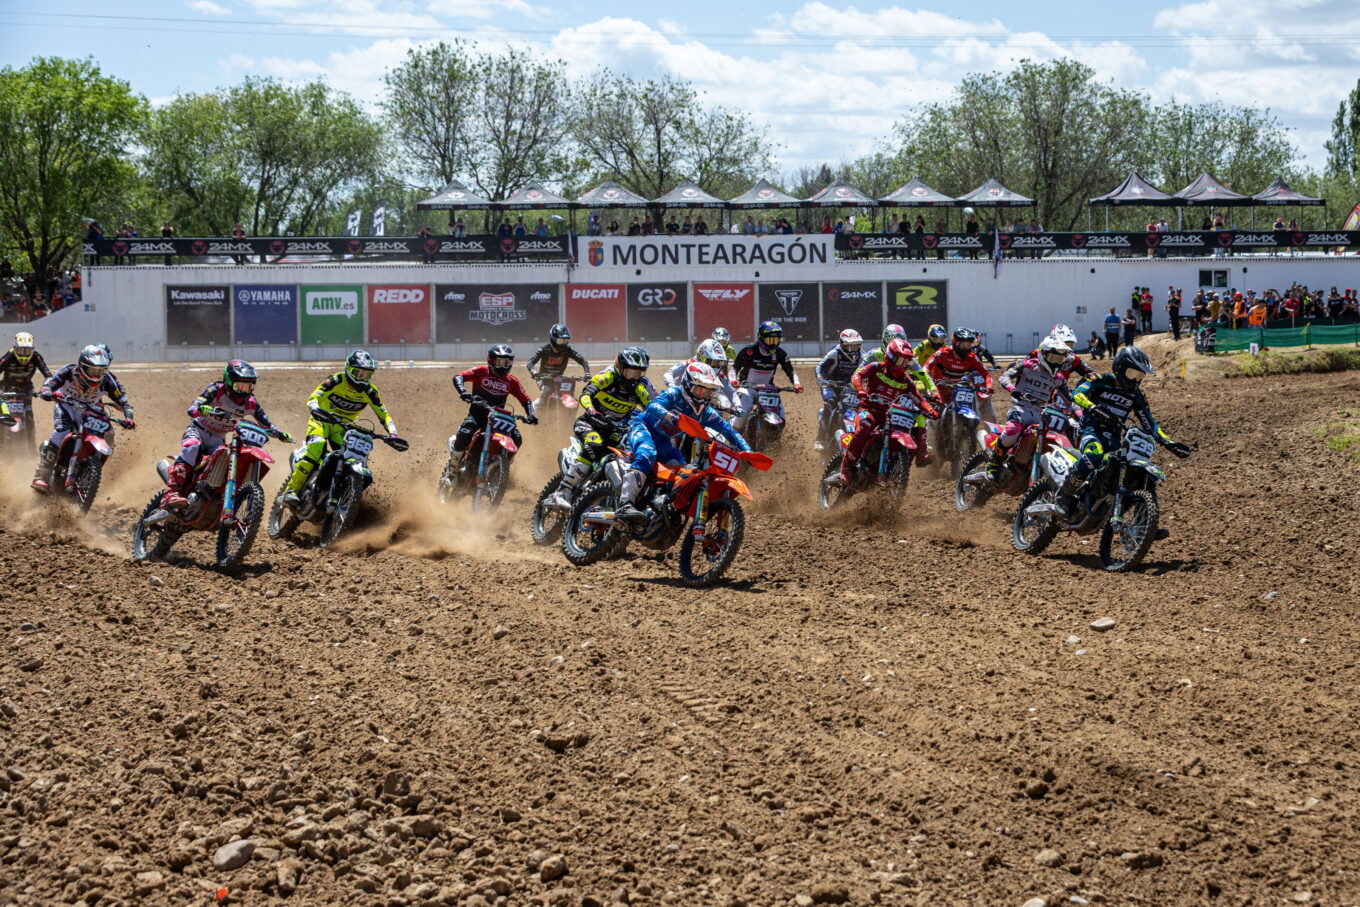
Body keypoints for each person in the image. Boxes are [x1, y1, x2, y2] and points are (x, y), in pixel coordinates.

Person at [1055, 346, 1191, 517]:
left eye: (1139, 376)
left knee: (1127, 471)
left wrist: (1169, 443)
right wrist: (1093, 407)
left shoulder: (1137, 395)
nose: (1135, 380)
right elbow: (1077, 394)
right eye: (1132, 374)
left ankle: (1133, 519)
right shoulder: (1101, 380)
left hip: (1113, 440)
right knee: (1094, 454)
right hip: (1091, 430)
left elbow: (1149, 423)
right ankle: (1064, 495)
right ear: (1120, 368)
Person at [617, 362, 749, 521]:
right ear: (688, 384)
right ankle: (625, 504)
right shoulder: (674, 393)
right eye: (700, 390)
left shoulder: (706, 413)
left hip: (664, 440)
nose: (703, 395)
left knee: (681, 471)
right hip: (643, 427)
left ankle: (659, 506)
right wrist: (672, 418)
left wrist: (747, 451)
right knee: (647, 454)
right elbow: (652, 406)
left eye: (708, 392)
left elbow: (729, 431)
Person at [162, 361, 292, 508]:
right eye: (240, 386)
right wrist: (201, 410)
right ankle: (171, 493)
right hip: (198, 430)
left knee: (225, 461)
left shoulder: (251, 403)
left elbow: (266, 424)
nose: (244, 391)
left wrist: (279, 434)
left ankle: (215, 500)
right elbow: (192, 407)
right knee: (192, 446)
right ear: (229, 382)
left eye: (248, 387)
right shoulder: (216, 390)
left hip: (218, 440)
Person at [279, 351, 397, 507]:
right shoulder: (335, 380)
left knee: (353, 455)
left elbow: (384, 414)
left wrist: (393, 434)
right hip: (322, 420)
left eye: (367, 375)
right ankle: (291, 490)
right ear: (349, 369)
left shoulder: (370, 392)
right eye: (359, 373)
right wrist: (314, 407)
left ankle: (342, 494)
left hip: (342, 428)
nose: (362, 379)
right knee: (316, 446)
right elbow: (314, 397)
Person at [546, 347, 651, 511]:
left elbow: (652, 412)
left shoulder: (640, 391)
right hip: (590, 423)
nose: (633, 378)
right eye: (630, 372)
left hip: (614, 432)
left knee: (624, 457)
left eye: (638, 374)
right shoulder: (607, 378)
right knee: (594, 445)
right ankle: (563, 491)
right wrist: (591, 410)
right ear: (620, 368)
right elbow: (585, 394)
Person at [829, 339, 938, 485]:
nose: (902, 365)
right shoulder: (876, 367)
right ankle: (847, 467)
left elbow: (918, 398)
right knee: (865, 428)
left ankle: (895, 471)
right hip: (869, 410)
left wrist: (930, 410)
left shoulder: (906, 380)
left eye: (905, 361)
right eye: (899, 360)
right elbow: (857, 375)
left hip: (890, 415)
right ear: (890, 357)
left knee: (909, 433)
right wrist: (860, 390)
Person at [32, 345, 134, 492]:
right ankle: (41, 475)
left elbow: (124, 402)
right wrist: (47, 392)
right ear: (82, 366)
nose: (96, 375)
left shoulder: (107, 380)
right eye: (93, 370)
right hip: (66, 406)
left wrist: (129, 417)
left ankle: (87, 473)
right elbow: (50, 385)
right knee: (61, 431)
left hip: (89, 410)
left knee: (107, 434)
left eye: (100, 371)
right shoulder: (68, 371)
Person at [984, 337, 1072, 483]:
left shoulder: (1059, 377)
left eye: (1060, 359)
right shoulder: (1027, 364)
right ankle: (993, 463)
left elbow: (1069, 400)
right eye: (1053, 358)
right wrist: (1013, 389)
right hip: (1020, 407)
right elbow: (1004, 377)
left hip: (1041, 413)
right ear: (1043, 354)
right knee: (1013, 431)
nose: (1056, 363)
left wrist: (1079, 412)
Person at [448, 345, 536, 474]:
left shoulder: (512, 381)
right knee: (465, 432)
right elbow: (458, 377)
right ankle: (452, 471)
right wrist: (463, 392)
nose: (504, 366)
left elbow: (525, 400)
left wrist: (531, 415)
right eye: (500, 362)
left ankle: (500, 468)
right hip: (477, 416)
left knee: (517, 437)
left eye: (507, 362)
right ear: (491, 360)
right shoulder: (480, 371)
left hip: (497, 419)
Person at [731, 322, 802, 435]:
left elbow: (790, 371)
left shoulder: (780, 354)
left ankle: (774, 437)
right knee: (744, 411)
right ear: (761, 339)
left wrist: (796, 384)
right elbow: (734, 368)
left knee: (782, 416)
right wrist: (733, 379)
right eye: (770, 340)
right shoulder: (749, 351)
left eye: (776, 340)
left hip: (768, 388)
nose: (773, 344)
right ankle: (733, 439)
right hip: (747, 387)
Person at [0, 332, 53, 448]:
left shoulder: (36, 357)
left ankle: (31, 446)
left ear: (33, 350)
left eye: (27, 351)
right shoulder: (9, 356)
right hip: (6, 387)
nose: (24, 354)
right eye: (21, 350)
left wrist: (47, 387)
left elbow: (48, 375)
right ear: (15, 348)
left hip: (26, 388)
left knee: (29, 415)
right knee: (2, 412)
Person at [813, 329, 863, 450]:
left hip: (848, 386)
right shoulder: (835, 353)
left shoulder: (862, 357)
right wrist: (820, 378)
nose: (854, 351)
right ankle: (820, 439)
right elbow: (819, 367)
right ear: (843, 345)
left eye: (856, 346)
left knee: (859, 407)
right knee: (830, 404)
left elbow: (866, 371)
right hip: (830, 384)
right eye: (850, 347)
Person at [526, 323, 590, 411]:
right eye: (560, 341)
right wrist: (534, 372)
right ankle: (537, 412)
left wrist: (587, 373)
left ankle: (569, 416)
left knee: (570, 394)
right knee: (546, 391)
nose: (562, 344)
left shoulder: (568, 350)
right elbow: (530, 362)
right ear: (553, 338)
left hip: (558, 379)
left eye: (564, 341)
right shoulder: (545, 349)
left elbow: (583, 361)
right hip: (543, 378)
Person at [663, 339, 738, 413]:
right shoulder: (691, 363)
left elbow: (730, 390)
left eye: (719, 362)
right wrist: (673, 388)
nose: (716, 366)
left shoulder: (718, 372)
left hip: (700, 401)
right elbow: (669, 373)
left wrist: (738, 406)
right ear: (702, 356)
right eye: (714, 362)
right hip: (680, 400)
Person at [924, 327, 994, 405]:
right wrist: (929, 384)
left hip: (956, 388)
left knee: (970, 403)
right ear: (956, 343)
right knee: (935, 404)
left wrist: (989, 386)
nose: (966, 348)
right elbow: (926, 367)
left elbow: (985, 373)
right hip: (937, 386)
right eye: (964, 345)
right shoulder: (942, 353)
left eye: (969, 345)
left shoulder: (972, 357)